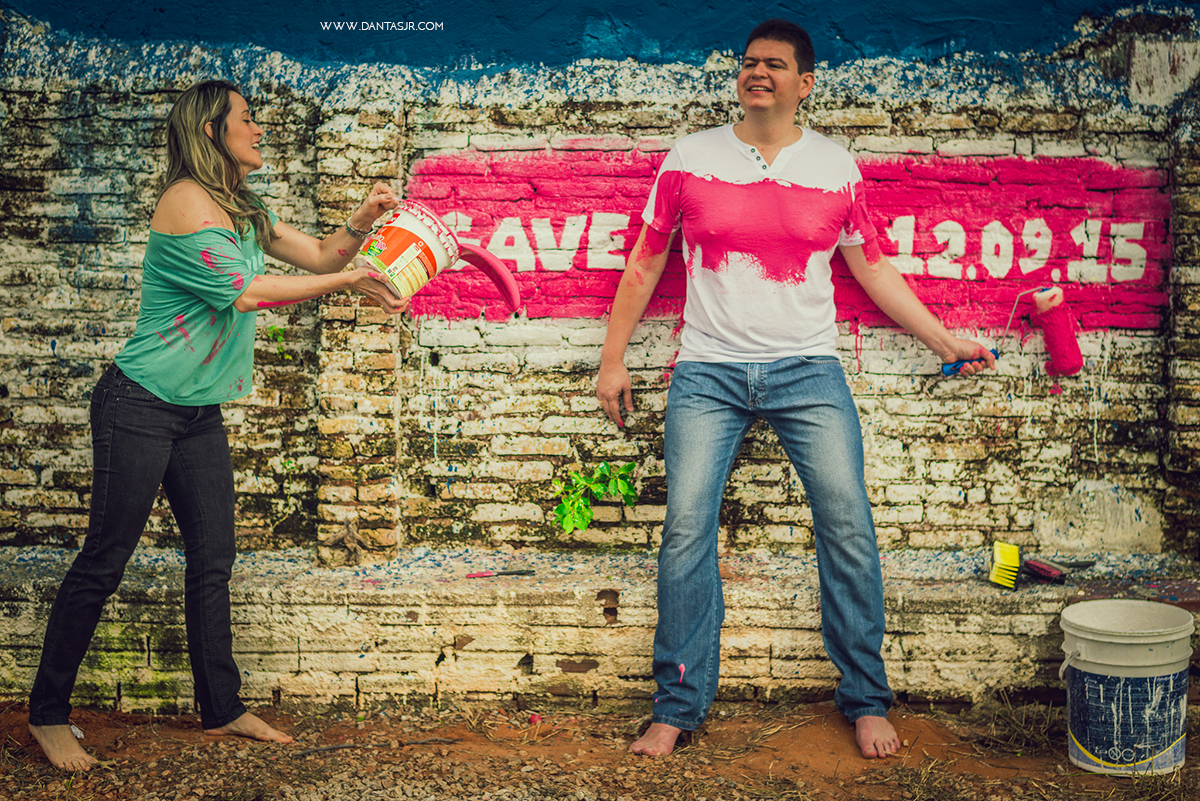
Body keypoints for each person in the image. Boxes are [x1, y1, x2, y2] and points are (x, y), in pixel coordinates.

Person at [595, 19, 994, 759]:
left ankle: (866, 699)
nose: (758, 73)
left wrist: (943, 339)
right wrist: (612, 360)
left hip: (807, 369)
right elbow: (646, 263)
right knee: (686, 528)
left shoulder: (835, 168)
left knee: (846, 521)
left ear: (804, 83)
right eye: (749, 63)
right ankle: (677, 704)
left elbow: (872, 268)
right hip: (707, 372)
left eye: (775, 65)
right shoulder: (689, 158)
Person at [27, 80, 407, 771]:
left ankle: (221, 706)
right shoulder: (186, 202)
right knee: (104, 561)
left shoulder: (243, 208)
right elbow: (247, 292)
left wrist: (362, 220)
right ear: (210, 130)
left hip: (196, 412)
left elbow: (322, 255)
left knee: (213, 560)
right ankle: (48, 712)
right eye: (247, 118)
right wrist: (350, 284)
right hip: (138, 403)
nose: (259, 129)